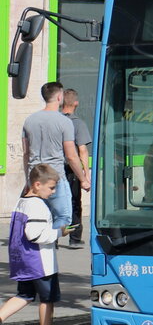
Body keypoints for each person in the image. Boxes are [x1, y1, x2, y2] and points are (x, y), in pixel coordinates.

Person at [0, 163, 72, 325]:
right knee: (47, 299)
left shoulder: (22, 201)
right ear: (37, 185)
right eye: (51, 187)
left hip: (23, 259)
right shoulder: (38, 205)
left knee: (24, 295)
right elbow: (35, 234)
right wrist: (59, 232)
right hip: (40, 262)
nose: (53, 192)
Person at [23, 82, 89, 232]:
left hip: (35, 178)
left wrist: (27, 178)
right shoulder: (64, 122)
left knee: (38, 217)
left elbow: (26, 153)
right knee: (64, 218)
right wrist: (83, 179)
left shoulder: (29, 121)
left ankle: (42, 247)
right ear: (59, 97)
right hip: (56, 177)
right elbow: (72, 156)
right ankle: (49, 248)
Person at [60, 88, 92, 248]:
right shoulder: (77, 123)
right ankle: (74, 238)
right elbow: (82, 150)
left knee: (54, 202)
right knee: (74, 202)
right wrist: (86, 176)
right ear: (76, 103)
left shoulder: (54, 120)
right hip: (71, 169)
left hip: (54, 167)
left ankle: (53, 239)